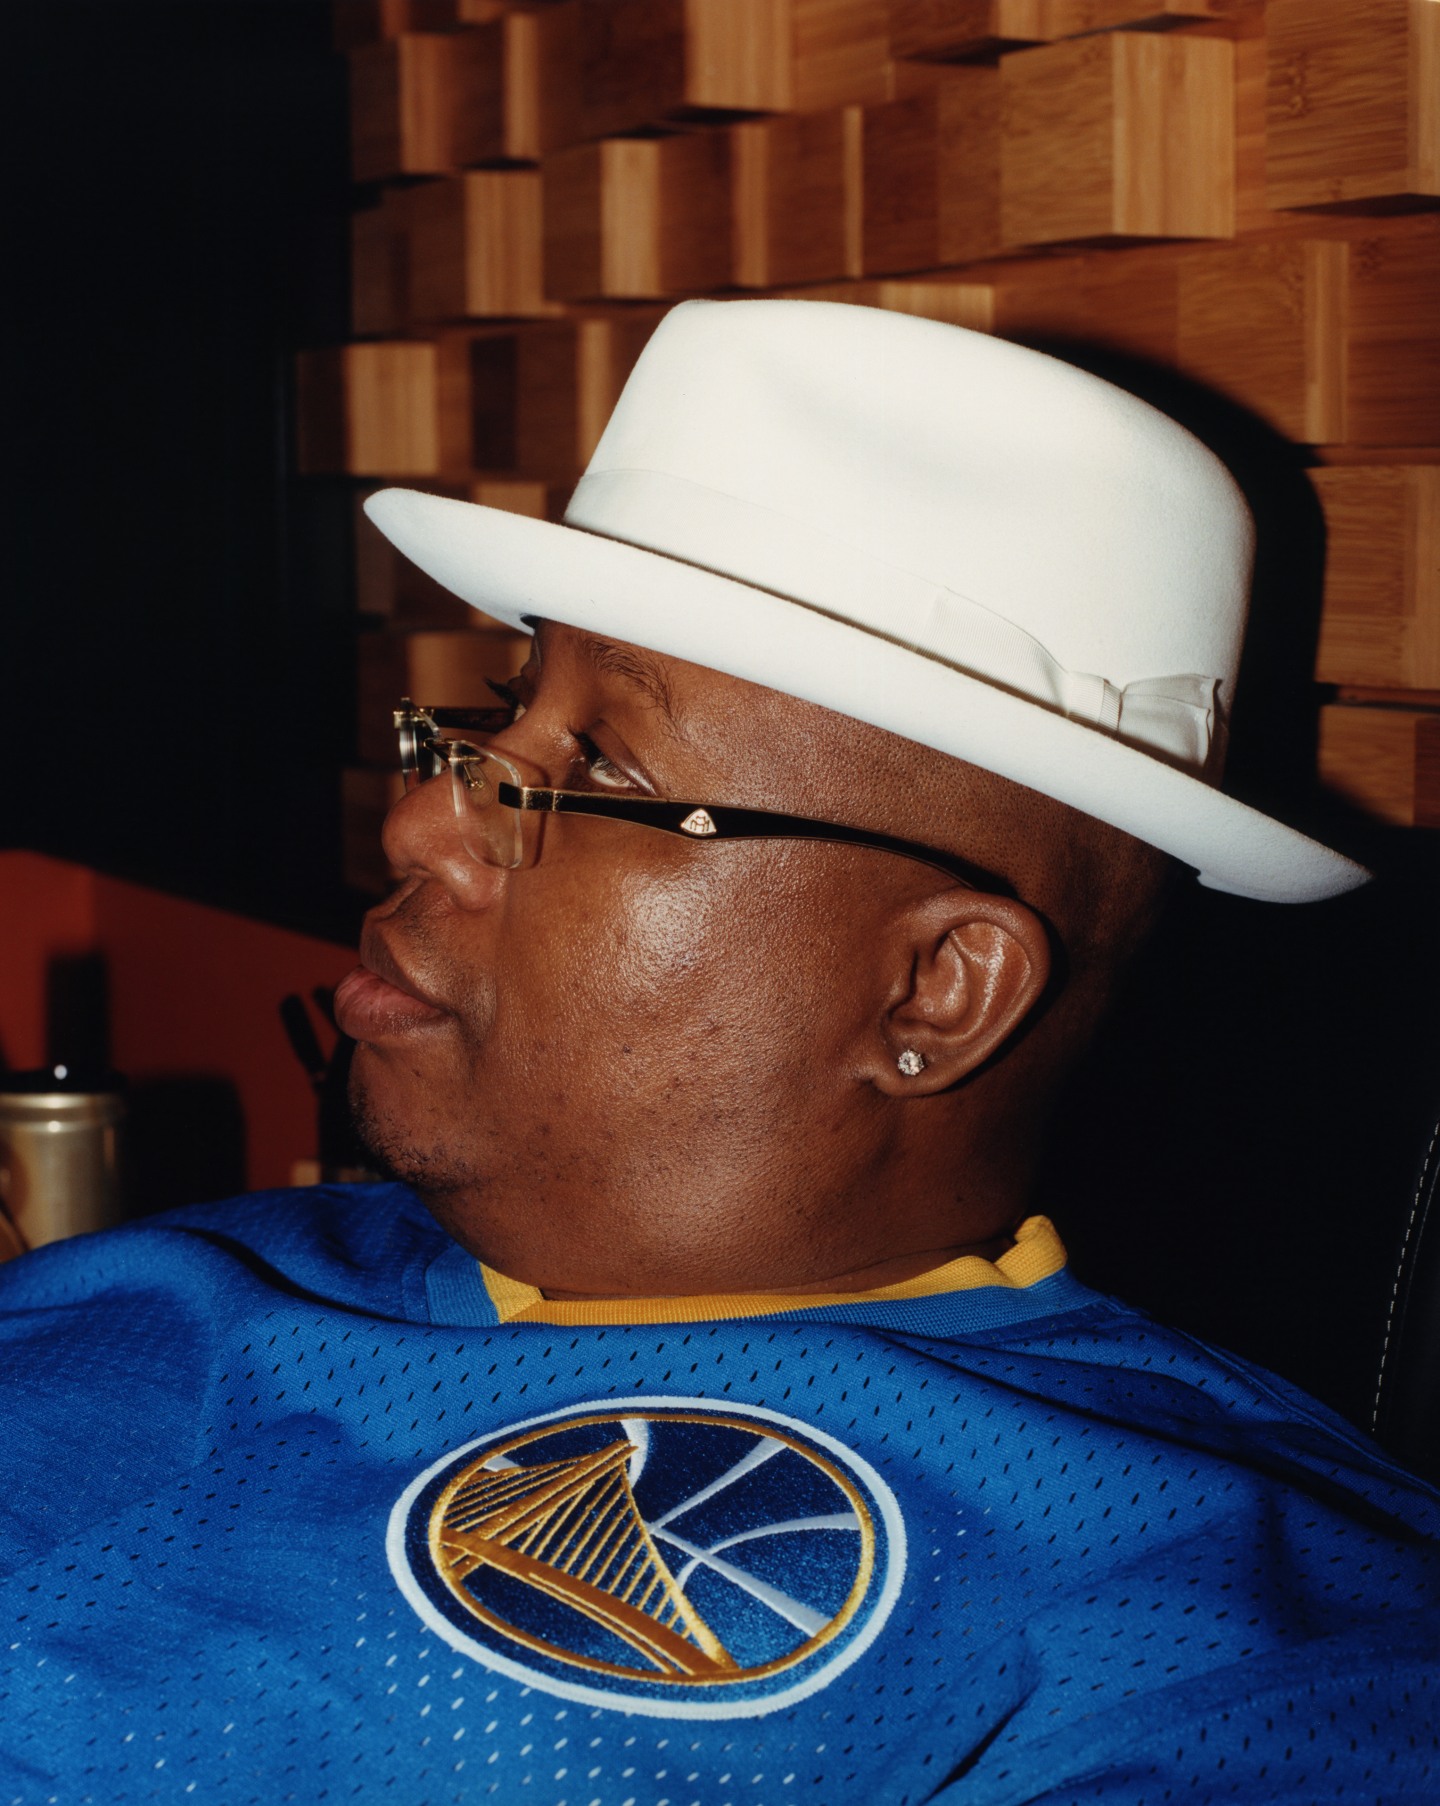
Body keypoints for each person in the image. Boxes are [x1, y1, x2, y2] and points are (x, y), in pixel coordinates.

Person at [1, 301, 1436, 1805]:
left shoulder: (1235, 1631)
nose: (424, 820)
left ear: (938, 986)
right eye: (503, 714)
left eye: (607, 768)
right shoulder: (177, 1276)